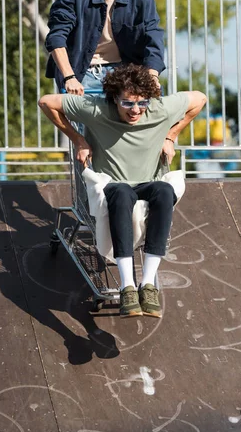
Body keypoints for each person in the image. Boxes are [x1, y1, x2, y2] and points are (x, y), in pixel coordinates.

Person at [39, 64, 207, 319]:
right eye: (127, 104)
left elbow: (200, 99)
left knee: (163, 190)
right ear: (114, 99)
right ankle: (128, 286)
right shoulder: (96, 109)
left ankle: (147, 284)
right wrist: (78, 139)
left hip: (147, 183)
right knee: (122, 193)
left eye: (142, 103)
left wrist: (171, 135)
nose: (136, 110)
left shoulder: (159, 109)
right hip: (113, 185)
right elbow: (46, 102)